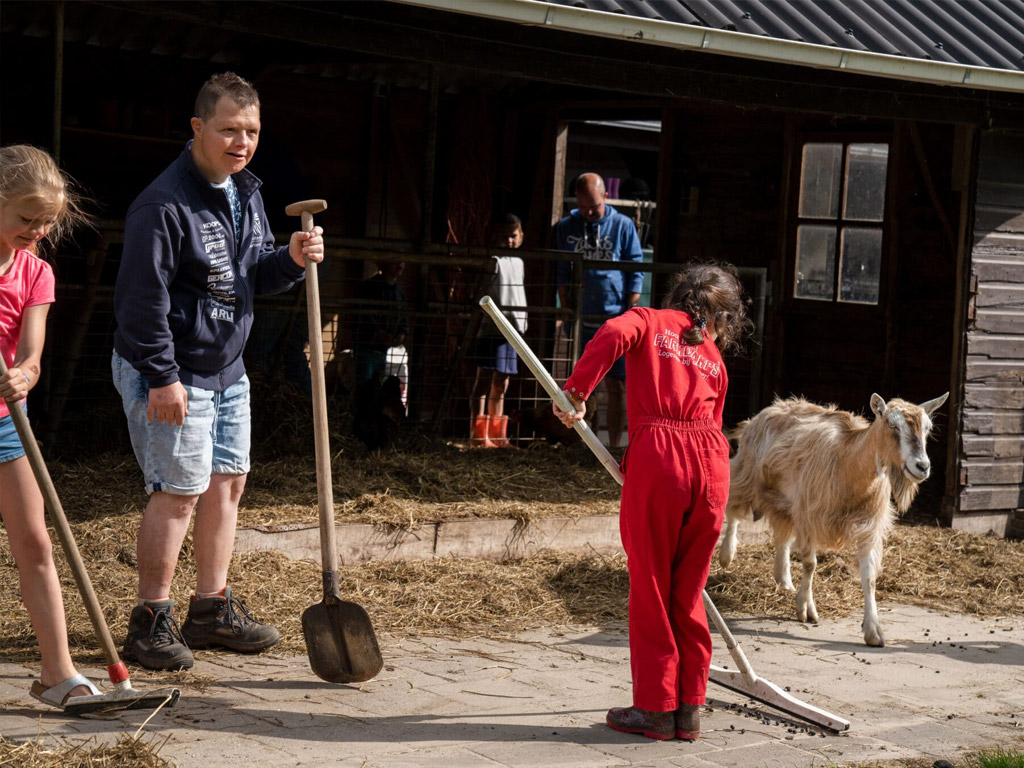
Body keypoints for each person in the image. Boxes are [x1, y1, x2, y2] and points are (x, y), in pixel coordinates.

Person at [111, 72, 325, 670]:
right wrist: (160, 375)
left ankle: (210, 608)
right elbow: (139, 301)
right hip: (172, 368)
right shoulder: (162, 204)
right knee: (177, 492)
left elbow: (251, 272)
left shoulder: (245, 192)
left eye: (251, 130)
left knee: (227, 483)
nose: (241, 141)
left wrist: (290, 259)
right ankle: (150, 621)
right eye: (229, 128)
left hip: (227, 370)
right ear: (198, 127)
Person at [552, 262, 751, 741]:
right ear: (718, 318)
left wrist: (576, 392)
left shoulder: (647, 320)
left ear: (678, 297)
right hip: (712, 467)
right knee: (688, 591)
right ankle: (689, 709)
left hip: (661, 462)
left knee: (652, 588)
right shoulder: (714, 360)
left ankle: (656, 709)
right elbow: (710, 422)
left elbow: (612, 332)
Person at [0, 144, 101, 710]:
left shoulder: (36, 271)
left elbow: (33, 354)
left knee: (36, 542)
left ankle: (56, 672)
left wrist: (24, 374)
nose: (37, 231)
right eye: (25, 218)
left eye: (47, 222)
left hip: (7, 424)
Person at [555, 173, 644, 448]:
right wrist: (566, 308)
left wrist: (630, 308)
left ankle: (616, 445)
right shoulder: (566, 227)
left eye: (594, 206)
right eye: (583, 207)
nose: (589, 213)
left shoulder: (623, 225)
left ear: (605, 197)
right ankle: (585, 444)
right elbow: (561, 271)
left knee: (617, 386)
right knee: (581, 385)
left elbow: (635, 267)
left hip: (614, 318)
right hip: (581, 317)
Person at [469, 214, 528, 448]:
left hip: (513, 330)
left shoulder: (520, 262)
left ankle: (497, 435)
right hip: (492, 329)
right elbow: (479, 294)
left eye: (513, 236)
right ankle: (477, 434)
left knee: (502, 382)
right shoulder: (494, 261)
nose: (509, 241)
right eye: (504, 237)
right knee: (483, 380)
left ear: (521, 236)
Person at [354, 259, 407, 387]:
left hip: (385, 352)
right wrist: (377, 333)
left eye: (403, 260)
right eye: (395, 259)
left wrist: (402, 333)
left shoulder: (399, 293)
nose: (400, 263)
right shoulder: (370, 287)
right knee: (365, 391)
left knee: (378, 393)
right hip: (367, 350)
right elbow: (362, 316)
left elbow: (403, 319)